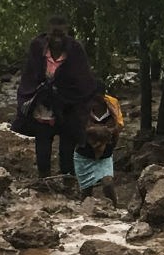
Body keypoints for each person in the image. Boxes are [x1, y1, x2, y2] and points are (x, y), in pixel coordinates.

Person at [14, 16, 97, 178]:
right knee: (43, 151)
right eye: (54, 34)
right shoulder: (37, 49)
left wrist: (64, 94)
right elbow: (29, 76)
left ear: (67, 33)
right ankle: (44, 182)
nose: (57, 39)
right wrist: (41, 91)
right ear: (47, 34)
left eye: (61, 35)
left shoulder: (76, 51)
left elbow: (84, 82)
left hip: (68, 110)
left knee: (67, 153)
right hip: (43, 109)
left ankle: (67, 184)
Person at [74, 81, 123, 206]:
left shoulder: (112, 105)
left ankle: (115, 209)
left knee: (108, 183)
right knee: (86, 191)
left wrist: (101, 131)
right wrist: (99, 131)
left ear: (102, 96)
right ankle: (85, 215)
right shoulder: (81, 106)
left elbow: (119, 126)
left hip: (105, 154)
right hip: (84, 154)